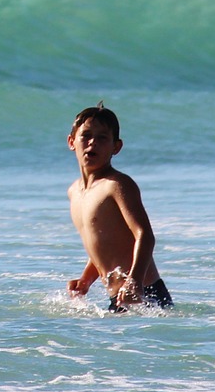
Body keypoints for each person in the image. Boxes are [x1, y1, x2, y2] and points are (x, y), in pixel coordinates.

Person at [66, 102, 172, 312]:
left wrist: (135, 280)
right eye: (86, 135)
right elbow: (104, 245)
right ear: (71, 142)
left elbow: (145, 235)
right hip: (120, 297)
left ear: (116, 147)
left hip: (145, 293)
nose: (92, 143)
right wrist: (86, 280)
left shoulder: (117, 185)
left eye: (102, 138)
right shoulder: (74, 192)